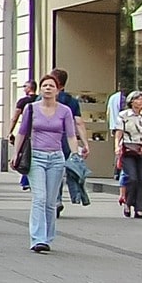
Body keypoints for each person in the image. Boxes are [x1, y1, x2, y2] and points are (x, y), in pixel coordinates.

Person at [11, 72, 85, 253]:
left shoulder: (65, 111)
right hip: (36, 157)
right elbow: (22, 132)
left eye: (52, 86)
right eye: (45, 86)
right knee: (39, 197)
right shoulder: (31, 108)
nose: (48, 89)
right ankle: (37, 238)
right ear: (40, 89)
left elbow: (70, 135)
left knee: (51, 202)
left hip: (56, 159)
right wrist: (15, 154)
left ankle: (48, 236)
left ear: (58, 89)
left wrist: (74, 154)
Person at [115, 91, 142, 219]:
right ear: (131, 101)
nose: (140, 102)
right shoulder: (124, 115)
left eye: (141, 100)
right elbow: (119, 133)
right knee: (132, 177)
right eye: (137, 99)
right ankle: (128, 202)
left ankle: (140, 208)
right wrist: (117, 146)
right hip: (128, 149)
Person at [52, 69, 90, 207]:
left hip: (49, 140)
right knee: (66, 168)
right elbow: (79, 122)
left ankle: (56, 199)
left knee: (53, 169)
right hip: (67, 139)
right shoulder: (71, 101)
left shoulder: (42, 99)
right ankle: (72, 196)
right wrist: (85, 144)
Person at [12, 79, 38, 188]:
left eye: (24, 86)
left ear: (29, 88)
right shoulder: (39, 100)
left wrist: (10, 131)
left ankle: (26, 179)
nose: (23, 88)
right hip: (38, 131)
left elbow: (15, 117)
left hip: (26, 131)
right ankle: (27, 179)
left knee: (25, 154)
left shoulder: (22, 101)